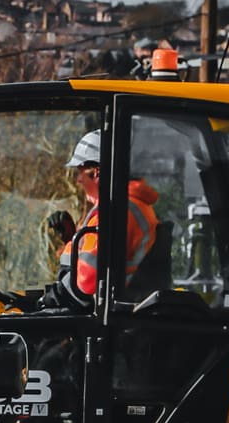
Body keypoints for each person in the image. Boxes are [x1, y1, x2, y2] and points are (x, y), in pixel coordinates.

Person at [52, 129, 158, 303]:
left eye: (81, 171)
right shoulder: (128, 206)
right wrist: (71, 239)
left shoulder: (116, 211)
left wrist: (52, 298)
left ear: (97, 172)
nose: (78, 180)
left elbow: (86, 284)